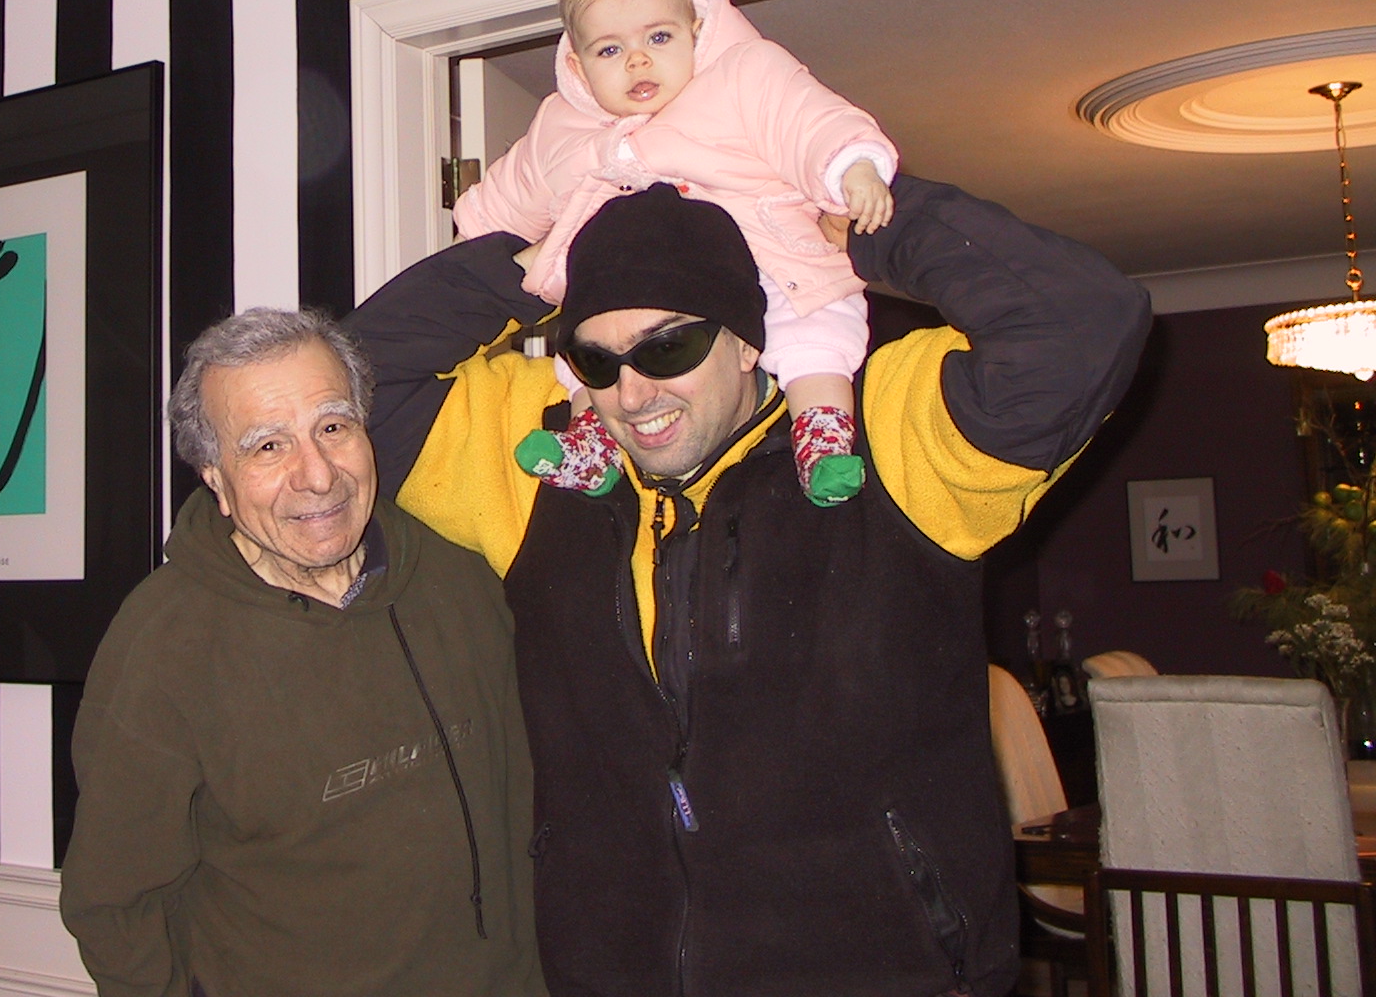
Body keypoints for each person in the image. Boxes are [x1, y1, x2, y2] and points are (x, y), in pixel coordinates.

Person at [348, 176, 1149, 997]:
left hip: (885, 971)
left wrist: (864, 217)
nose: (633, 393)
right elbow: (348, 393)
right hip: (612, 970)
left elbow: (1084, 322)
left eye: (668, 348)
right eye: (596, 359)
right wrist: (526, 269)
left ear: (746, 340)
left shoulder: (885, 435)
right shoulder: (545, 460)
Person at [59, 308, 547, 997]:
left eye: (333, 427)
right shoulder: (163, 644)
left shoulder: (462, 576)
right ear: (215, 479)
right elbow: (115, 904)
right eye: (268, 446)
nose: (317, 475)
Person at [452, 0, 897, 503]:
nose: (637, 62)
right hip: (630, 280)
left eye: (658, 38)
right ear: (578, 66)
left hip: (770, 251)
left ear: (696, 32)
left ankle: (823, 438)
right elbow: (511, 192)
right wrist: (475, 238)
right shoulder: (560, 126)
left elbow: (807, 121)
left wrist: (854, 167)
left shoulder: (743, 76)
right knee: (597, 352)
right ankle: (591, 447)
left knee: (814, 331)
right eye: (610, 49)